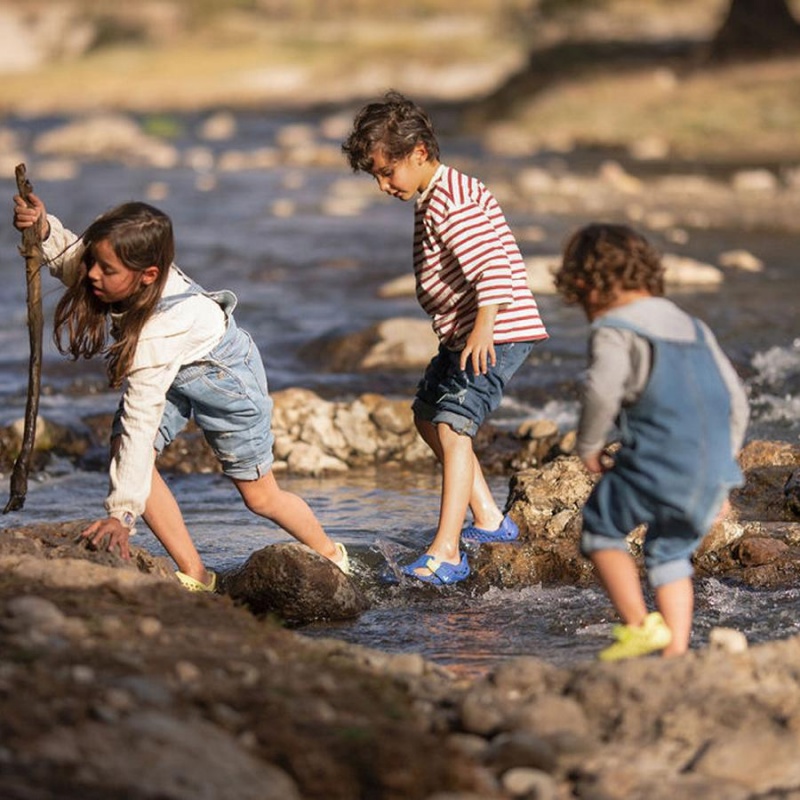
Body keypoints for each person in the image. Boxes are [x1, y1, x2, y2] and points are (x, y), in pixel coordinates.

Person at [12, 195, 350, 590]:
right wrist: (45, 231)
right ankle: (197, 574)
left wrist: (122, 515)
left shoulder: (159, 330)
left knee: (260, 496)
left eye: (107, 269)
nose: (92, 276)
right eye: (94, 262)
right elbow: (77, 263)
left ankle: (332, 556)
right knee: (126, 451)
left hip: (224, 377)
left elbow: (142, 417)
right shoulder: (122, 277)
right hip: (174, 367)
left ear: (149, 275)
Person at [342, 90, 548, 585]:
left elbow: (494, 266)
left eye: (387, 172)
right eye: (375, 176)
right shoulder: (437, 194)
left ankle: (447, 551)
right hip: (465, 332)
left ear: (418, 153)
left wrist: (483, 330)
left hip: (493, 332)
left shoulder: (451, 203)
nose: (383, 185)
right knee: (426, 416)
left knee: (454, 428)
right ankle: (491, 520)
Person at [554, 223, 749, 660]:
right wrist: (723, 464)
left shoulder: (614, 327)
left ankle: (641, 626)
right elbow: (736, 399)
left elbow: (603, 389)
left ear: (585, 285)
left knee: (601, 530)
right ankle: (675, 655)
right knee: (670, 553)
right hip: (713, 466)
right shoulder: (693, 325)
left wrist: (589, 444)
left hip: (658, 459)